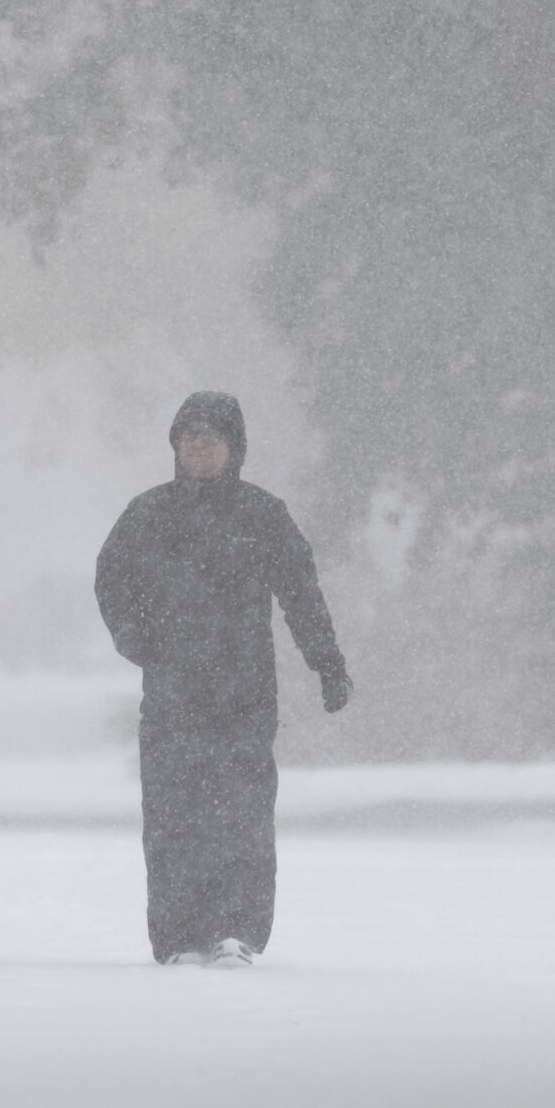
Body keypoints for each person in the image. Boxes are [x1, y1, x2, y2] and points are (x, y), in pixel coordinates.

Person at [94, 391, 351, 968]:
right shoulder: (148, 514)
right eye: (189, 435)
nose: (198, 443)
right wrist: (134, 640)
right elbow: (111, 580)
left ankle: (237, 931)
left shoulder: (263, 515)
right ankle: (179, 936)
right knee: (171, 818)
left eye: (211, 434)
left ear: (234, 447)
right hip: (171, 695)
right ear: (175, 447)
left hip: (244, 695)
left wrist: (327, 663)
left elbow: (302, 596)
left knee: (243, 818)